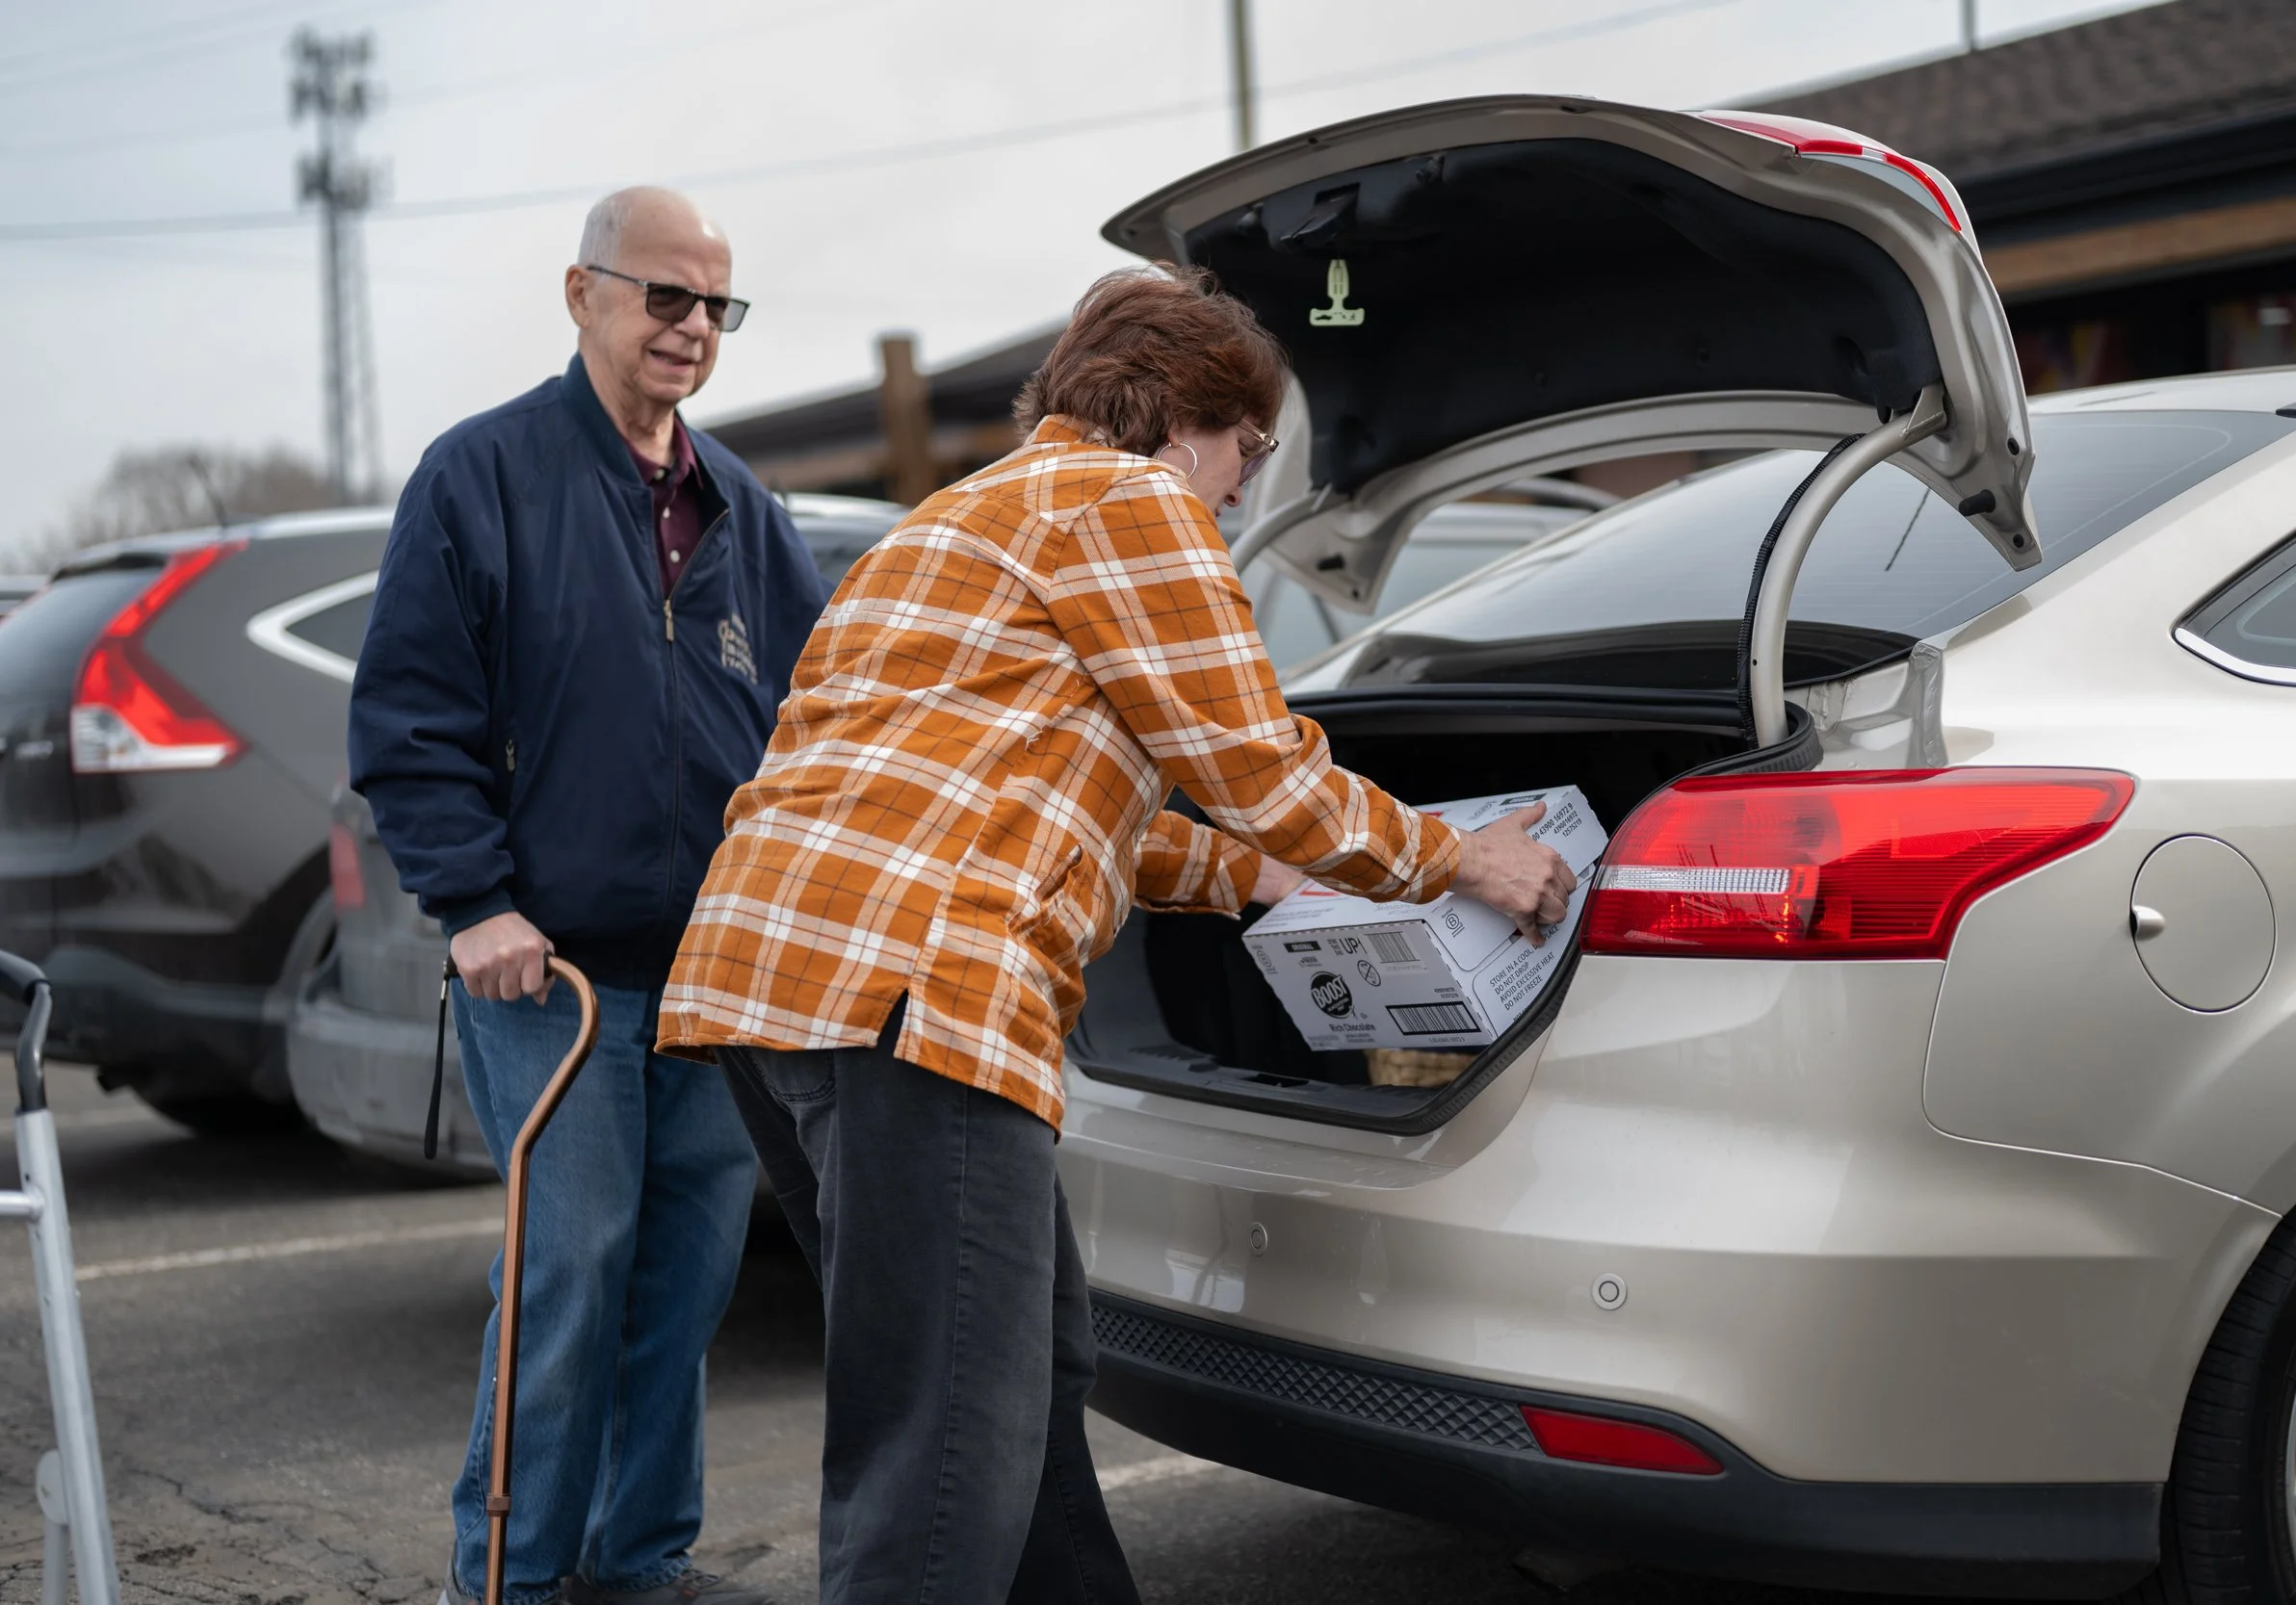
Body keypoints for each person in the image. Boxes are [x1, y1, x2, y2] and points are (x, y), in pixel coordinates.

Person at [656, 265, 1575, 1604]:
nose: (1246, 488)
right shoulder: (1132, 499)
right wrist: (1456, 856)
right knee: (945, 1435)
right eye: (1249, 449)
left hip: (776, 980)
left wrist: (1263, 885)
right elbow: (1257, 762)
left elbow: (1043, 789)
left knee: (1017, 1371)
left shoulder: (954, 518)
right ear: (1189, 414)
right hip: (922, 994)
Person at [347, 187, 826, 1605]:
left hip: (712, 978)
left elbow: (809, 721)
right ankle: (509, 1576)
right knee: (574, 1269)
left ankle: (642, 1565)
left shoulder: (744, 507)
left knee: (684, 1284)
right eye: (662, 297)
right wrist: (475, 899)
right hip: (546, 975)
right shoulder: (480, 475)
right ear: (581, 293)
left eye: (713, 307)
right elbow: (410, 722)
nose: (689, 329)